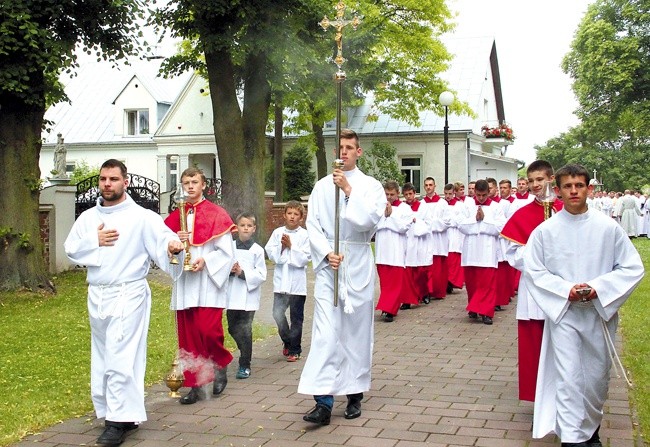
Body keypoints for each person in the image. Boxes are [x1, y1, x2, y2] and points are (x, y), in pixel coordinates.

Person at [64, 159, 183, 446]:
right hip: (98, 293)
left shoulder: (142, 216)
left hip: (128, 293)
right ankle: (122, 413)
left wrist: (172, 247)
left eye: (113, 179)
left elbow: (165, 241)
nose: (107, 184)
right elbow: (70, 250)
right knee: (105, 356)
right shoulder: (88, 218)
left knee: (120, 355)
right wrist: (95, 240)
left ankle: (116, 422)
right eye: (103, 179)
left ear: (125, 182)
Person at [524, 164, 644, 446]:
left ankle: (590, 432)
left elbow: (631, 267)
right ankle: (572, 440)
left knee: (595, 379)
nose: (574, 191)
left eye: (579, 185)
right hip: (564, 315)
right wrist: (565, 290)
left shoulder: (607, 228)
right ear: (559, 190)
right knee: (569, 379)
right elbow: (534, 270)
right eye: (568, 186)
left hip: (598, 315)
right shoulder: (545, 231)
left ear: (590, 188)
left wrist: (598, 289)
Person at [298, 129, 385, 425]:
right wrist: (325, 253)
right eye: (341, 147)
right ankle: (322, 401)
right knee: (325, 334)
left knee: (355, 333)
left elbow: (369, 220)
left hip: (357, 262)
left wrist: (349, 191)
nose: (344, 152)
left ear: (358, 152)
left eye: (350, 147)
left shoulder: (370, 186)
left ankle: (354, 394)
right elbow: (312, 225)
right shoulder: (322, 186)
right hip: (330, 268)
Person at [164, 167, 236, 405]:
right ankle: (195, 384)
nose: (190, 186)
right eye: (186, 182)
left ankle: (219, 363)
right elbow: (164, 248)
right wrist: (175, 245)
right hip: (185, 282)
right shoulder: (175, 217)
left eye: (195, 181)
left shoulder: (217, 213)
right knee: (189, 337)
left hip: (207, 282)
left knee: (208, 330)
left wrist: (206, 260)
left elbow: (226, 251)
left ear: (204, 185)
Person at [500, 160, 563, 402]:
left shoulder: (565, 210)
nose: (536, 185)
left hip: (561, 288)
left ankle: (563, 397)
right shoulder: (522, 214)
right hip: (533, 289)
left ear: (551, 179)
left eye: (540, 179)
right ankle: (539, 398)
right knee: (534, 345)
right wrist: (537, 255)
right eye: (531, 180)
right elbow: (512, 254)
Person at [265, 201, 311, 361]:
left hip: (297, 283)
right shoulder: (277, 233)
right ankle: (287, 340)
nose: (292, 217)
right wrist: (282, 248)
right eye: (289, 213)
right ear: (284, 215)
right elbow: (270, 252)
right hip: (281, 282)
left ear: (301, 217)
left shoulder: (305, 235)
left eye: (296, 214)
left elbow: (305, 258)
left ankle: (295, 350)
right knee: (277, 314)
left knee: (296, 318)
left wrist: (292, 247)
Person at [457, 179, 505, 325]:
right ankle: (474, 307)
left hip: (487, 250)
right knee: (472, 283)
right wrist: (475, 219)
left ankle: (486, 312)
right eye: (478, 195)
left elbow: (501, 228)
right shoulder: (467, 206)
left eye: (484, 195)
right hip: (471, 250)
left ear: (488, 193)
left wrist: (483, 221)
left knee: (487, 283)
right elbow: (460, 224)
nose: (481, 198)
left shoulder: (497, 207)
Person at [227, 212, 267, 379]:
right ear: (237, 228)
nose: (245, 228)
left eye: (249, 226)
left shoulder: (257, 250)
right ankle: (244, 349)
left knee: (245, 330)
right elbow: (222, 265)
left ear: (254, 229)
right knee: (232, 328)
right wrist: (229, 271)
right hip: (231, 295)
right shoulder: (229, 246)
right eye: (242, 225)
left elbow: (261, 274)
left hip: (247, 297)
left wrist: (242, 272)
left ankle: (245, 364)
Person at [375, 180, 411, 322]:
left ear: (398, 194)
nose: (389, 197)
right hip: (382, 250)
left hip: (396, 250)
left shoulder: (404, 208)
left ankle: (390, 309)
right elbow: (374, 225)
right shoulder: (378, 207)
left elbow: (403, 227)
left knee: (395, 283)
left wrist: (390, 217)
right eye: (386, 194)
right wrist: (385, 218)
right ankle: (387, 307)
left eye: (392, 194)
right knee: (385, 283)